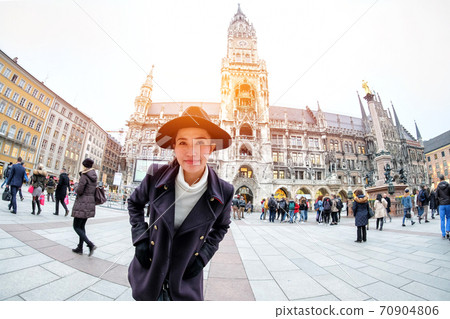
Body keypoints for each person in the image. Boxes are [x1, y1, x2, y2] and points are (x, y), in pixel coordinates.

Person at [127, 106, 234, 301]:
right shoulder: (155, 174)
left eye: (200, 142)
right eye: (183, 142)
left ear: (211, 148)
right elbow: (134, 203)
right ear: (174, 147)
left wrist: (203, 257)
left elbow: (222, 226)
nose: (191, 151)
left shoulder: (224, 191)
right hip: (149, 272)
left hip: (185, 280)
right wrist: (140, 239)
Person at [71, 158, 97, 256]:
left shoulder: (84, 175)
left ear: (84, 165)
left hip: (82, 203)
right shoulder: (94, 175)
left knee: (76, 226)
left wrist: (76, 184)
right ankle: (80, 247)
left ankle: (90, 244)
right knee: (82, 226)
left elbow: (79, 191)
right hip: (90, 202)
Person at [436, 175, 450, 240]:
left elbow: (436, 196)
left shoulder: (438, 187)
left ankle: (443, 234)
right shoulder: (448, 185)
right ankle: (448, 230)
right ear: (444, 178)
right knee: (448, 217)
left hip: (441, 205)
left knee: (442, 219)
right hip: (448, 204)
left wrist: (438, 204)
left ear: (440, 179)